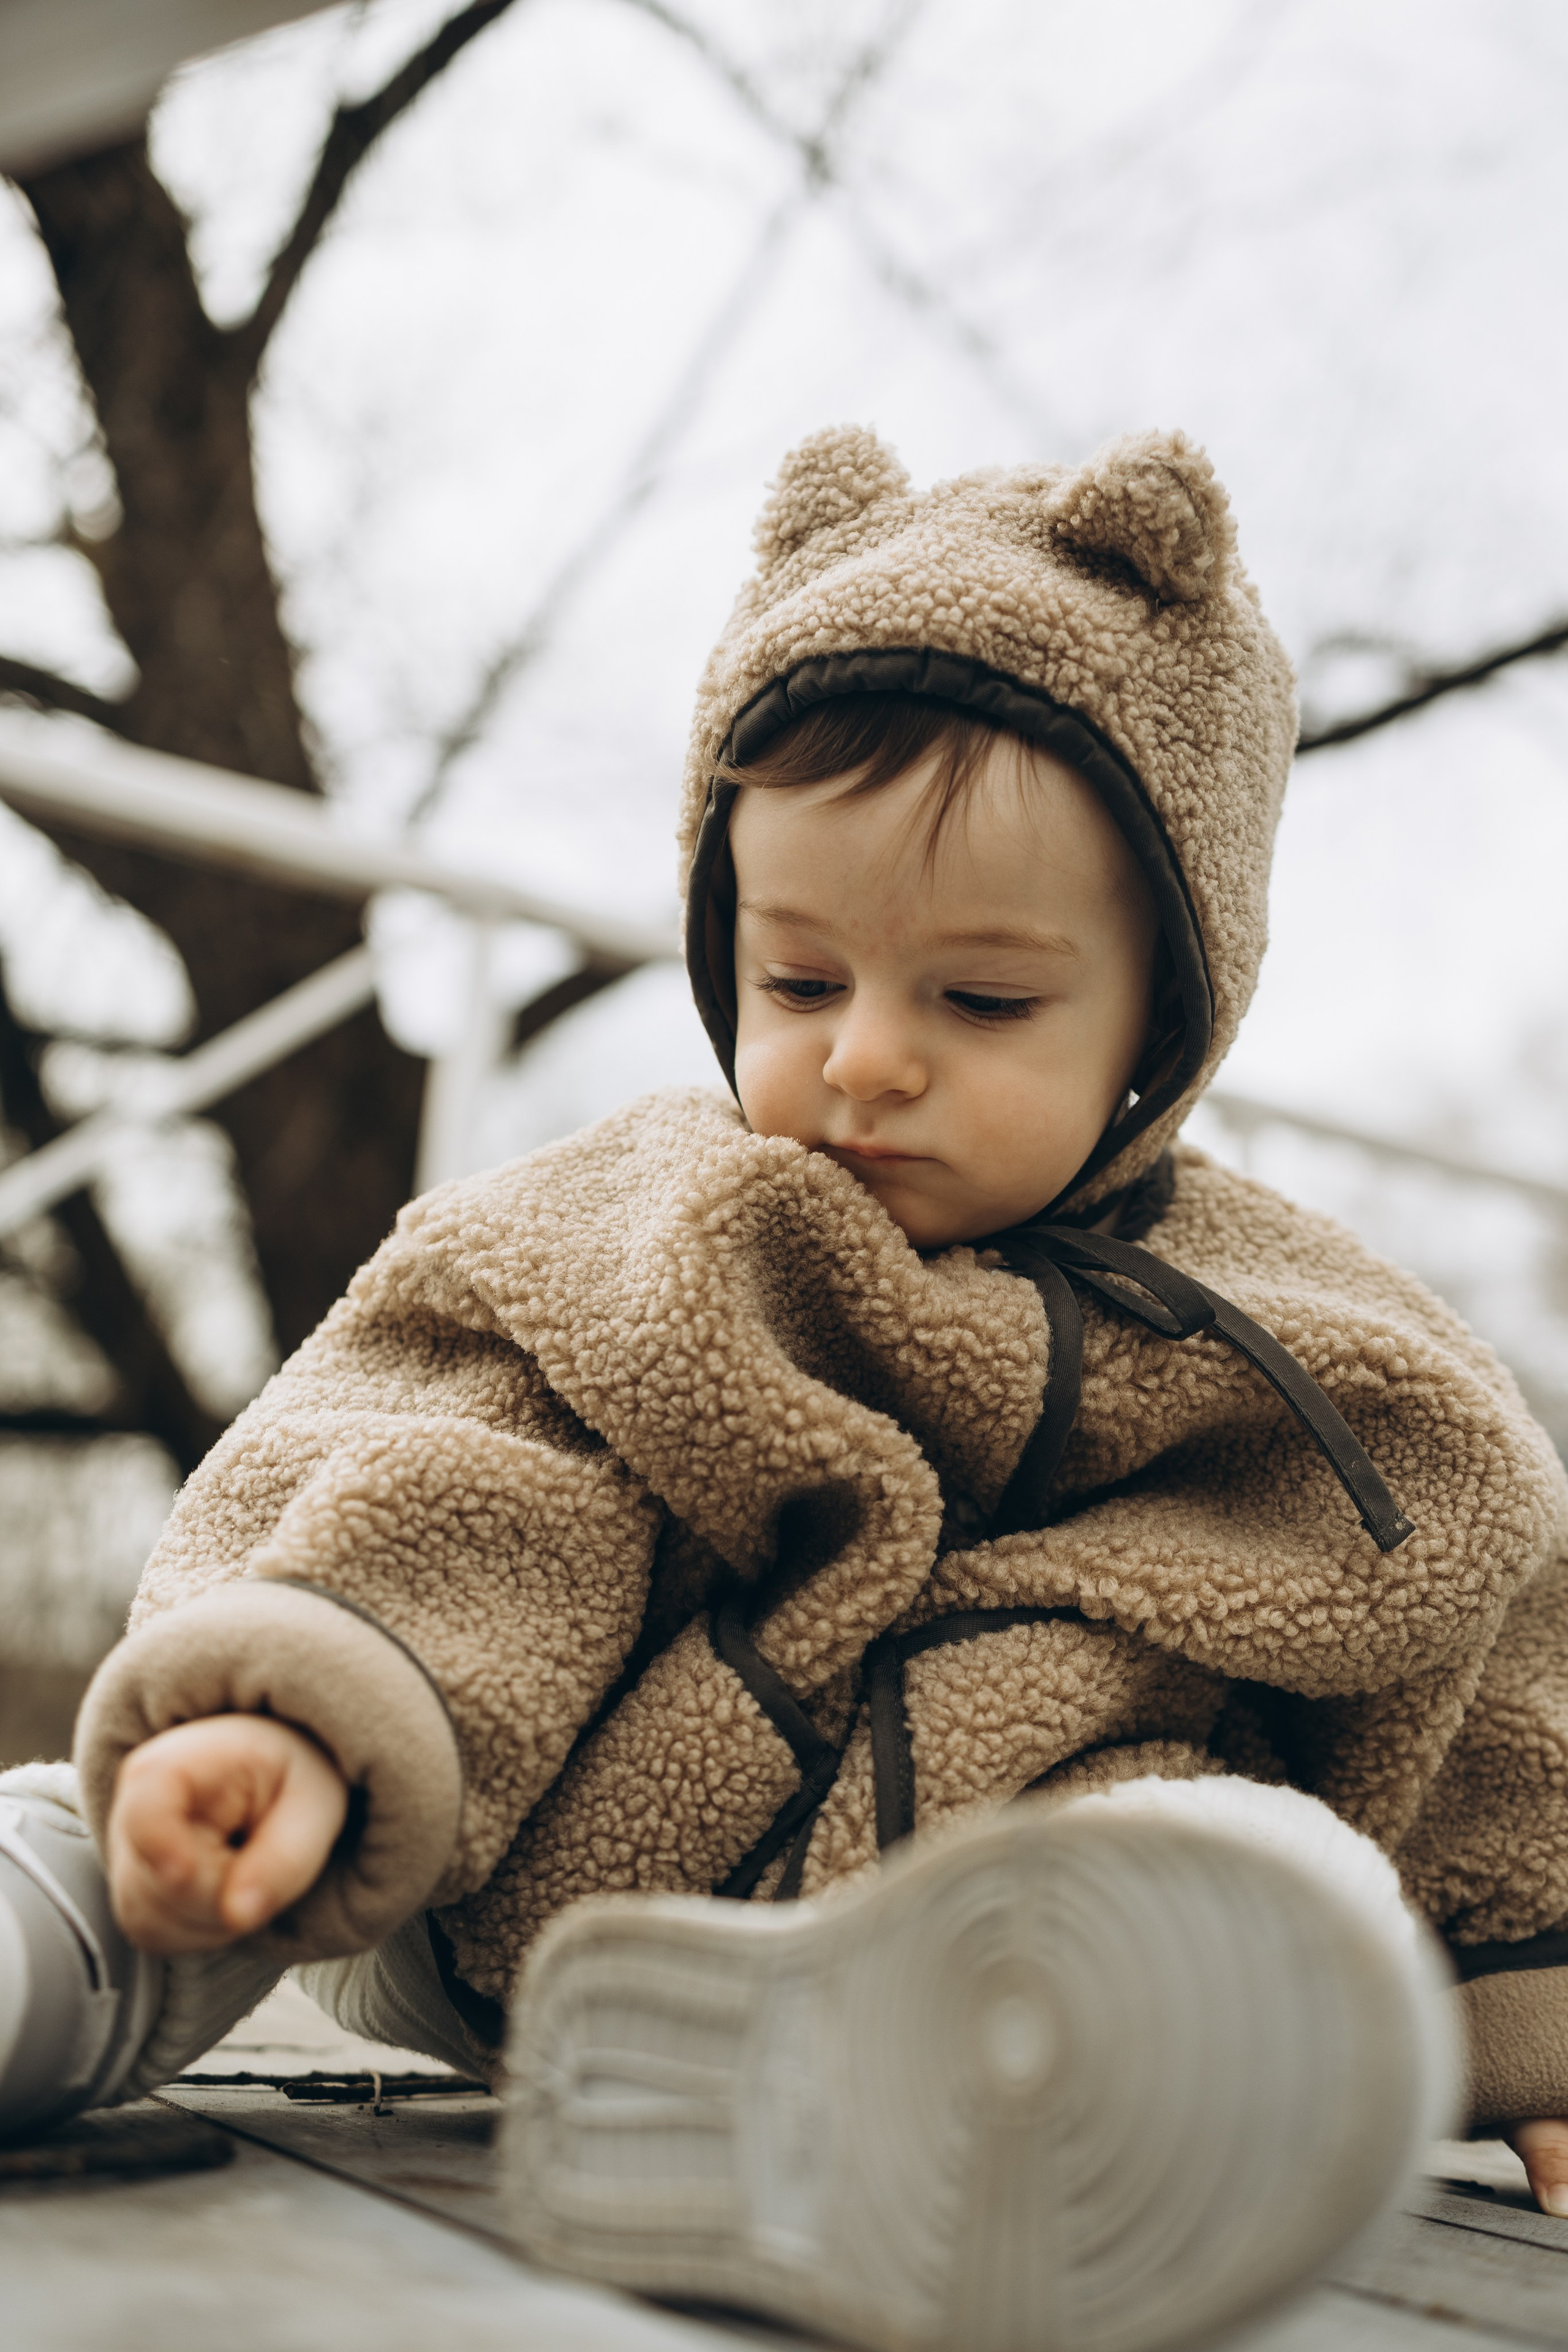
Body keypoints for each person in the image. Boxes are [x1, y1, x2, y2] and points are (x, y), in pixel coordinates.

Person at [3, 425, 1567, 2351]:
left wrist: (1533, 2000)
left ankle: (1059, 2087)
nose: (866, 1062)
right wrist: (310, 1705)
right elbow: (434, 1447)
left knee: (1229, 1865)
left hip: (963, 1909)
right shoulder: (650, 1230)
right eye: (800, 983)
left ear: (1165, 1018)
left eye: (982, 1002)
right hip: (482, 1844)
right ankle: (39, 1951)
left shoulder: (1301, 1355)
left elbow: (1481, 1651)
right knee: (172, 1821)